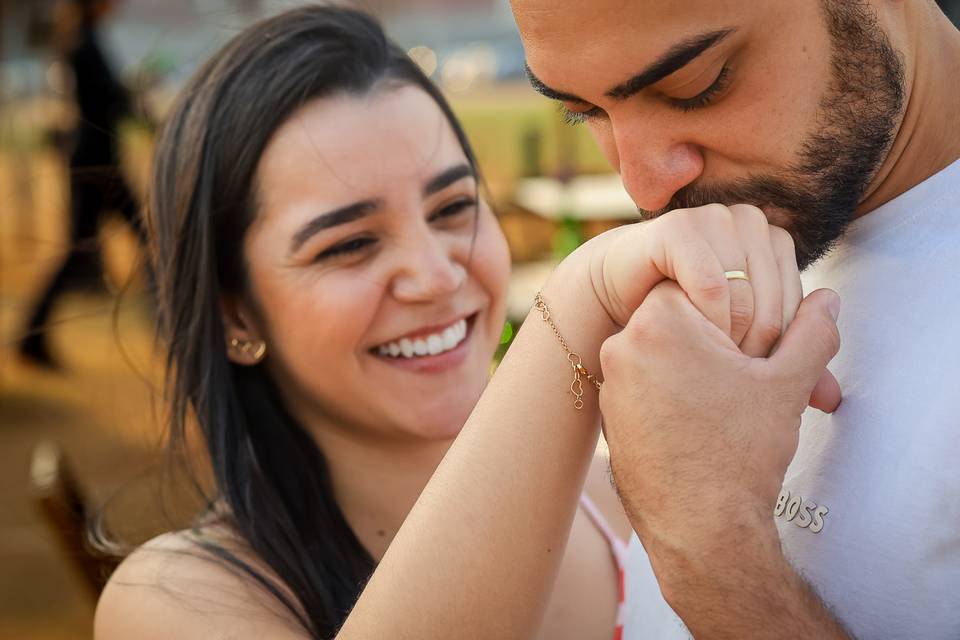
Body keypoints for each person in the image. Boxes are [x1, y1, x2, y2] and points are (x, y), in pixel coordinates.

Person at [93, 6, 837, 640]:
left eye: (453, 209)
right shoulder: (175, 600)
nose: (438, 273)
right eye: (349, 244)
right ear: (235, 312)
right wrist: (575, 302)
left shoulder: (632, 496)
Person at [511, 0, 960, 637]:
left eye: (697, 85)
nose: (643, 189)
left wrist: (714, 554)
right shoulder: (751, 221)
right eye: (583, 111)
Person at [18, 0, 144, 368]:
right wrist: (127, 96)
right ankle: (32, 334)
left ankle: (33, 334)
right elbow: (104, 104)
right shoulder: (83, 42)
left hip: (98, 163)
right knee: (130, 242)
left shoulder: (83, 39)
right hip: (97, 166)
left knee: (88, 249)